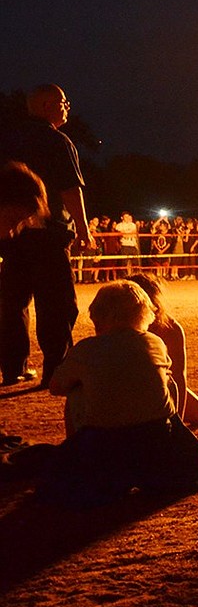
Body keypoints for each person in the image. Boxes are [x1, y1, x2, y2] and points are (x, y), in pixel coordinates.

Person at [40, 280, 198, 508]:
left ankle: (84, 461)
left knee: (76, 391)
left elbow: (56, 386)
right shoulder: (156, 343)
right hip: (157, 442)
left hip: (107, 445)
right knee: (165, 380)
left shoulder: (86, 349)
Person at [0, 84, 92, 388]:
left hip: (12, 233)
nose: (67, 107)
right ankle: (56, 369)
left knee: (13, 300)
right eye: (63, 102)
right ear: (45, 106)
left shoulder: (9, 138)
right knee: (57, 302)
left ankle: (14, 367)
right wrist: (83, 230)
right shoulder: (57, 140)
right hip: (49, 232)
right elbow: (69, 189)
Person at [125, 273, 198, 429]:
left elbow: (179, 376)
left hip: (159, 384)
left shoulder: (169, 328)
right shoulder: (121, 324)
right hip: (128, 385)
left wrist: (178, 422)